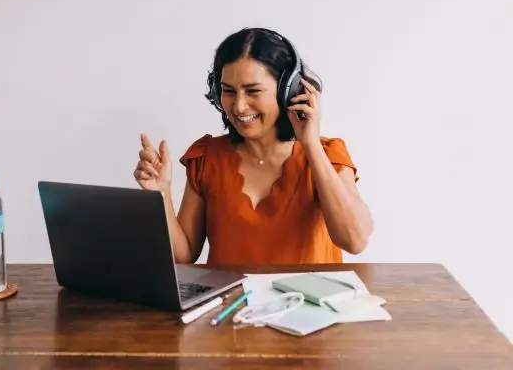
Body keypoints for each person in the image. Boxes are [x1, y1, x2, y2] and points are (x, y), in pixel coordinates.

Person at [133, 27, 374, 265]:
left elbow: (355, 241)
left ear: (287, 90)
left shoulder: (328, 154)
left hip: (305, 303)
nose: (238, 106)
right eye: (228, 91)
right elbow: (183, 256)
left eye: (253, 91)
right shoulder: (206, 157)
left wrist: (310, 143)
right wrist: (161, 193)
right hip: (233, 303)